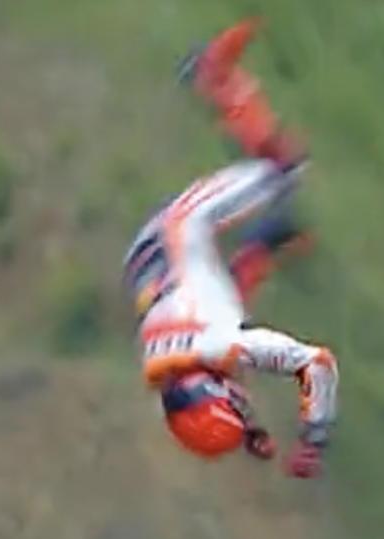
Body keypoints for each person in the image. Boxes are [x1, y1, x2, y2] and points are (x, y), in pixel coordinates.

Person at [123, 17, 337, 479]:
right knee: (226, 296)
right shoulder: (168, 374)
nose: (243, 400)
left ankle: (213, 78)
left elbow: (316, 363)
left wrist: (314, 438)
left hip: (177, 230)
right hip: (153, 272)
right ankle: (264, 242)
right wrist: (248, 430)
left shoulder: (224, 347)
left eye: (236, 404)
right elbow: (201, 387)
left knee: (283, 169)